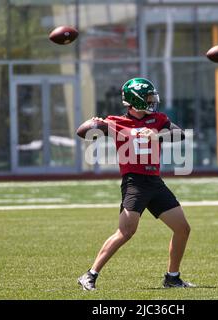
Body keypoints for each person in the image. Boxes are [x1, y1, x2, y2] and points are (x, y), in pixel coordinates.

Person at [76, 78, 195, 290]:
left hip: (155, 183)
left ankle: (172, 277)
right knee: (126, 232)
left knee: (182, 228)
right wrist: (94, 123)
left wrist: (157, 134)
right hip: (135, 183)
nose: (152, 101)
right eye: (148, 98)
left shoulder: (158, 119)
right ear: (136, 100)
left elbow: (180, 134)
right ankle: (90, 275)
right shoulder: (115, 122)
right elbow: (82, 132)